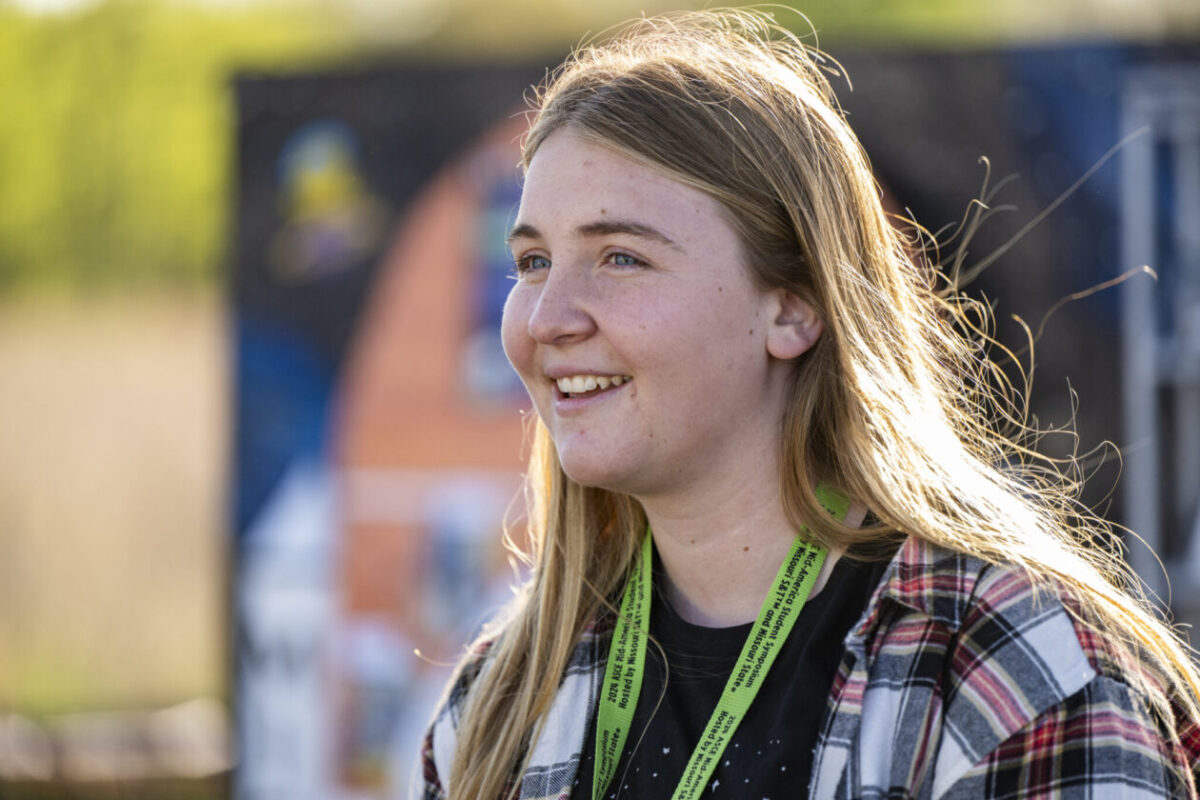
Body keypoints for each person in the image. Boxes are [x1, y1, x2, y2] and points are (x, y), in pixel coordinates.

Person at [417, 9, 1200, 799]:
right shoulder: (500, 700)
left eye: (620, 257)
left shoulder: (1011, 667)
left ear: (794, 308)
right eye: (532, 261)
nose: (547, 318)